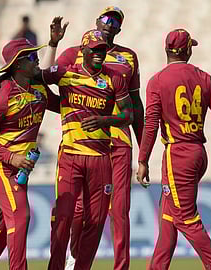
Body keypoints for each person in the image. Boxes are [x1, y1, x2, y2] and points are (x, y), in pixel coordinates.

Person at [41, 7, 144, 270]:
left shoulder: (128, 57)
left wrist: (144, 151)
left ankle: (120, 266)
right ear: (97, 21)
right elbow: (45, 81)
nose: (110, 24)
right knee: (74, 213)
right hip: (79, 142)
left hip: (117, 139)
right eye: (106, 18)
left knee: (118, 210)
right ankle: (74, 257)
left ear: (120, 28)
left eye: (116, 21)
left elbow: (134, 106)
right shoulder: (72, 53)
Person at [136, 29, 211, 270]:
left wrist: (143, 159)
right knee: (168, 217)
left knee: (186, 218)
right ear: (187, 50)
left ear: (166, 50)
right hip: (197, 152)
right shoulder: (205, 78)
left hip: (177, 155)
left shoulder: (157, 81)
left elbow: (151, 122)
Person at [0, 37, 60, 270]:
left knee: (4, 223)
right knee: (20, 216)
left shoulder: (39, 88)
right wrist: (11, 157)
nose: (36, 59)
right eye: (31, 57)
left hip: (20, 167)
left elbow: (63, 105)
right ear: (18, 64)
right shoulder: (1, 94)